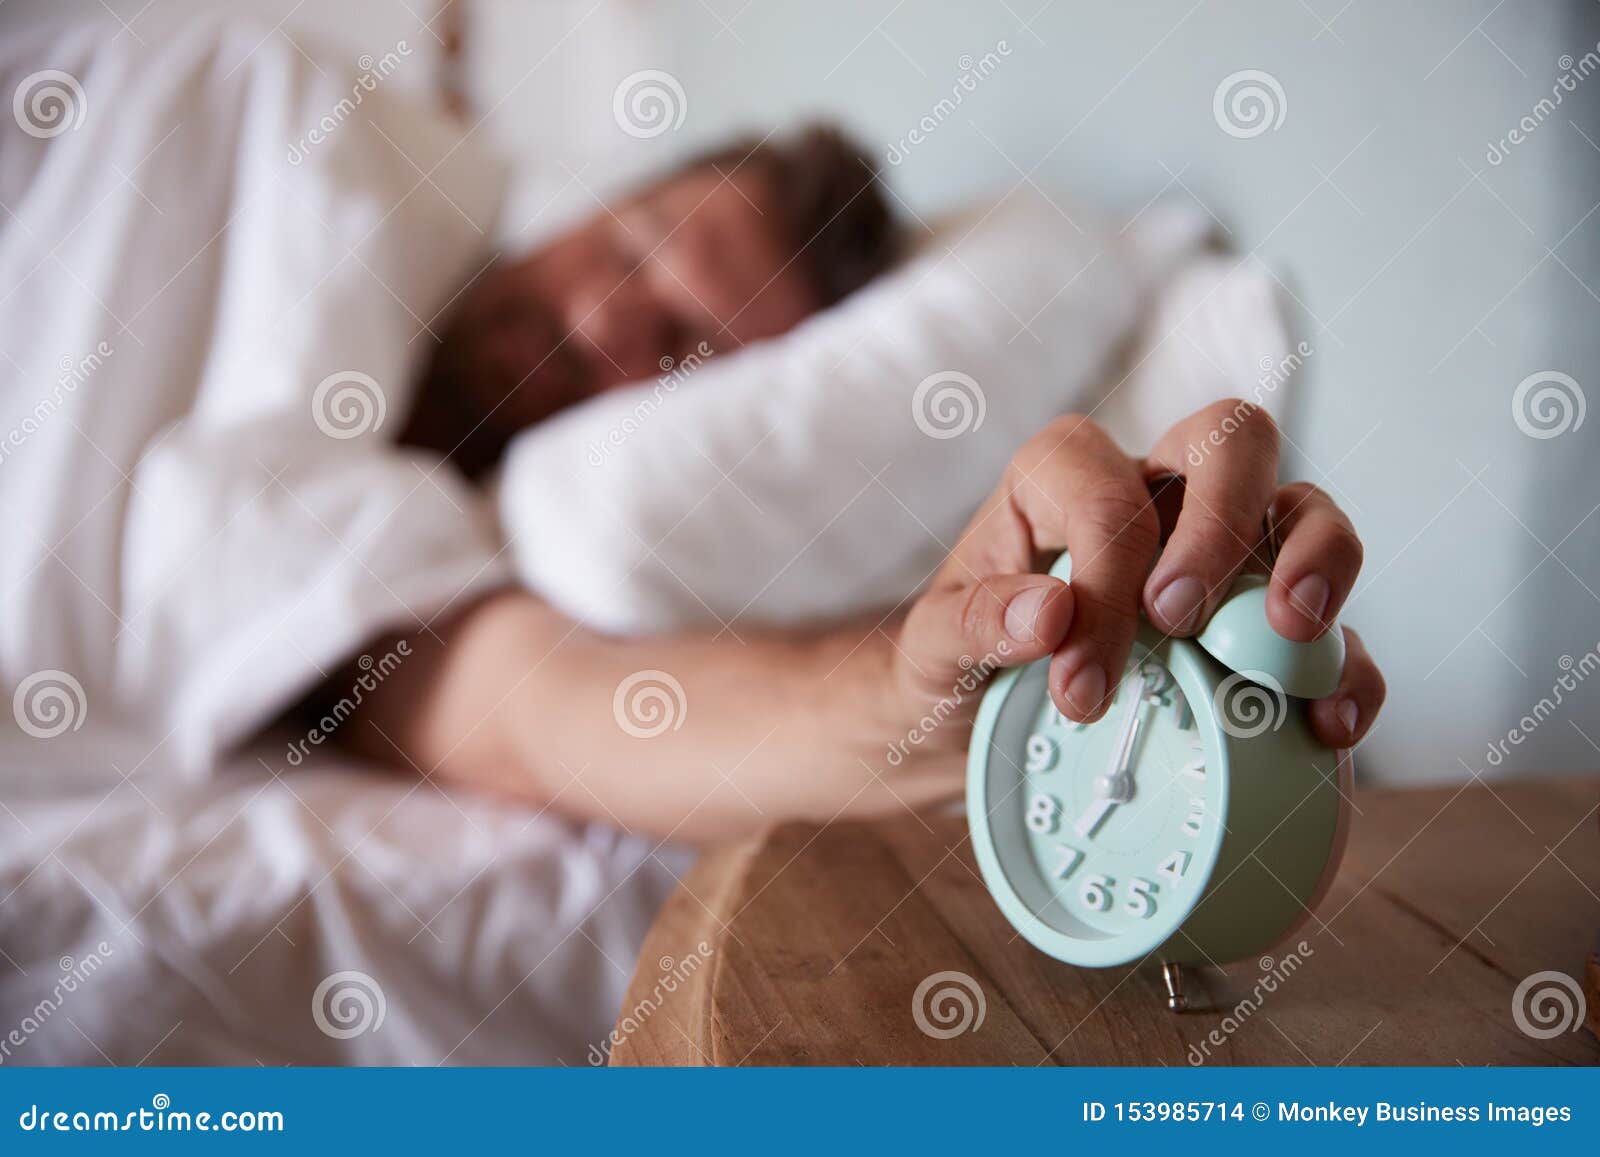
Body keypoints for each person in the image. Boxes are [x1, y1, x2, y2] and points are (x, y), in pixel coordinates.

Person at [331, 125, 1385, 840]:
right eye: (626, 247)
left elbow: (548, 715)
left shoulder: (442, 577)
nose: (604, 321)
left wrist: (949, 683)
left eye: (676, 351)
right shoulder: (354, 193)